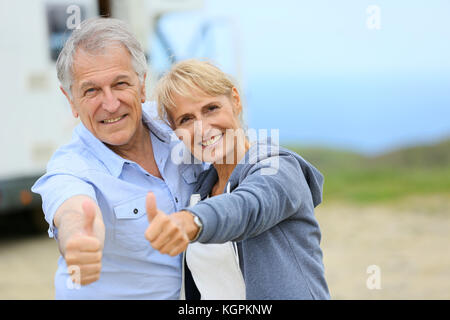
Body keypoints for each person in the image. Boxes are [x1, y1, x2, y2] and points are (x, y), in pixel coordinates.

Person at [31, 18, 204, 299]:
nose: (110, 104)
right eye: (91, 91)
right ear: (71, 100)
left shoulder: (179, 126)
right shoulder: (70, 169)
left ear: (142, 84)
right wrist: (79, 238)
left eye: (120, 84)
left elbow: (236, 150)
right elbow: (72, 210)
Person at [145, 59, 330, 299]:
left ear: (235, 100)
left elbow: (248, 207)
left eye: (211, 108)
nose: (202, 128)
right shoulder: (199, 192)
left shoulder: (278, 168)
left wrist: (192, 221)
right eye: (186, 119)